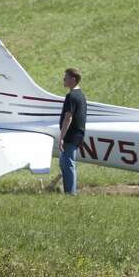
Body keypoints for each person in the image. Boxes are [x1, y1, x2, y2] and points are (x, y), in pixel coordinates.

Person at [57, 67, 87, 195]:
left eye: (66, 77)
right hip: (77, 134)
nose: (63, 80)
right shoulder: (80, 95)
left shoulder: (71, 96)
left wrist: (61, 137)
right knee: (65, 163)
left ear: (73, 79)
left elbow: (68, 117)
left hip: (71, 135)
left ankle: (70, 193)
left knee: (68, 164)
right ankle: (70, 191)